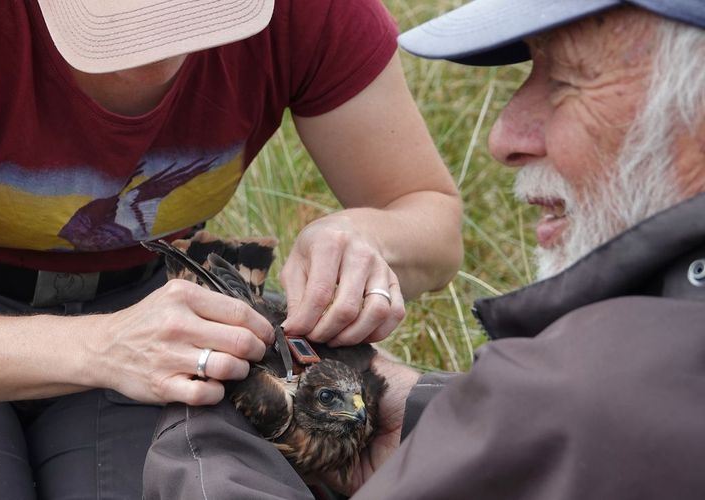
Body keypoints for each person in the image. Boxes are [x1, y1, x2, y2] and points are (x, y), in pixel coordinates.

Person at [0, 0, 463, 498]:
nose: (161, 54)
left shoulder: (302, 13)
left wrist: (362, 234)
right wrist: (100, 348)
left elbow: (431, 220)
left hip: (151, 303)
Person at [143, 0, 705, 498]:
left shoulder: (604, 392)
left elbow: (611, 415)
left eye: (568, 81)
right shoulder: (638, 372)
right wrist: (440, 413)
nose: (503, 136)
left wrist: (211, 431)